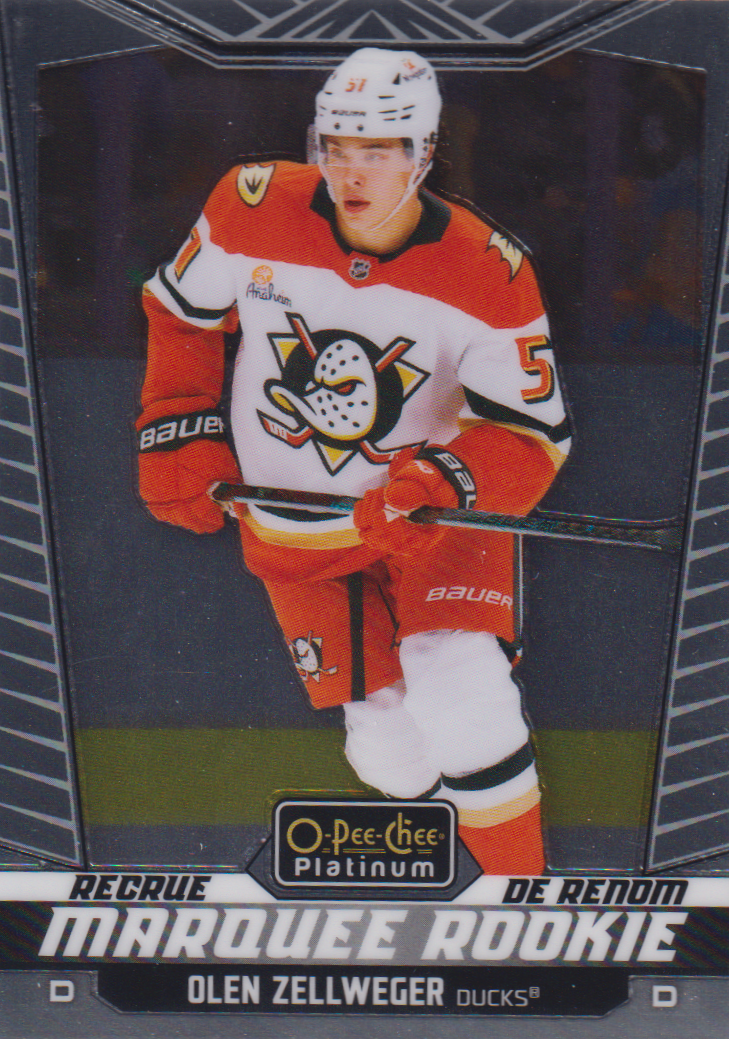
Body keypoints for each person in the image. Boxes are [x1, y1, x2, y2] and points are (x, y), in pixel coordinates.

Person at [137, 47, 571, 874]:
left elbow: (532, 435)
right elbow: (180, 310)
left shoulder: (488, 267)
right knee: (387, 754)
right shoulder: (250, 204)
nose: (351, 170)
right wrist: (177, 424)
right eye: (336, 146)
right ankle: (459, 872)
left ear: (424, 152)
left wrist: (443, 480)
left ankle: (523, 903)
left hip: (433, 519)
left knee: (461, 690)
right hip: (297, 532)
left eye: (377, 150)